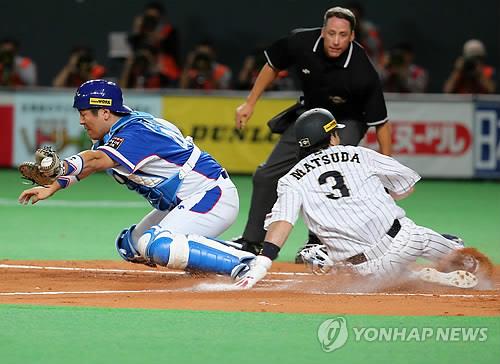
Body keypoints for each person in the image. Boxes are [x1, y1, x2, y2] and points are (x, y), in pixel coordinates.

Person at [18, 79, 255, 277]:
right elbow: (91, 166)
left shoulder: (136, 132)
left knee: (157, 245)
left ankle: (244, 262)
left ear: (104, 112)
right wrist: (53, 187)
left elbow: (95, 160)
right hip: (185, 201)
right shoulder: (116, 131)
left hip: (212, 196)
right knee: (130, 246)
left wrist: (62, 166)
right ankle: (213, 258)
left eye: (84, 113)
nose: (81, 121)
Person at [234, 108, 493, 289]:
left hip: (367, 268)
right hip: (407, 239)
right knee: (463, 256)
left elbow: (282, 224)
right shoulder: (357, 154)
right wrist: (376, 193)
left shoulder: (291, 179)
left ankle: (414, 276)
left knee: (390, 280)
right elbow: (406, 185)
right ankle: (458, 261)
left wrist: (262, 264)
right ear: (332, 136)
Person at [234, 6, 391, 259]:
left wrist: (386, 166)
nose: (336, 41)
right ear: (323, 32)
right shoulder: (301, 41)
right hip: (309, 117)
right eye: (331, 33)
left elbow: (381, 123)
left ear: (352, 36)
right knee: (266, 175)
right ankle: (252, 241)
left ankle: (318, 245)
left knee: (326, 174)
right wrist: (250, 102)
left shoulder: (362, 71)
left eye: (343, 35)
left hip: (346, 121)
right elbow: (272, 65)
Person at [128, 1, 181, 87]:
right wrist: (136, 31)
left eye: (155, 18)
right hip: (144, 70)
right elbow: (135, 50)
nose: (151, 21)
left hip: (166, 74)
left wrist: (158, 36)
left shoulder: (170, 32)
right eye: (149, 17)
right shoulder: (141, 32)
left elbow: (171, 52)